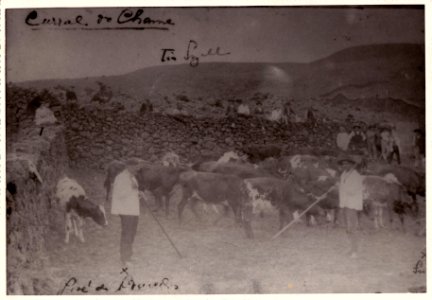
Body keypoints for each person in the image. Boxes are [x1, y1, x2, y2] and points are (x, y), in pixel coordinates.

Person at [110, 159, 145, 267]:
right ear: (129, 166)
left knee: (132, 233)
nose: (138, 169)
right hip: (126, 210)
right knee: (127, 233)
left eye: (138, 167)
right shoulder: (121, 178)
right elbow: (119, 194)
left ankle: (129, 256)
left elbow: (133, 191)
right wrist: (133, 189)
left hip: (133, 209)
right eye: (136, 167)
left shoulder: (132, 176)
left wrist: (139, 193)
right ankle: (125, 259)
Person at [338, 156, 364, 258]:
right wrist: (341, 205)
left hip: (352, 205)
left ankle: (355, 251)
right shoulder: (343, 174)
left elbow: (352, 191)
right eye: (343, 164)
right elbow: (342, 191)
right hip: (345, 204)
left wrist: (340, 186)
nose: (344, 165)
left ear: (352, 165)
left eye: (347, 163)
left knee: (352, 228)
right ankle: (351, 248)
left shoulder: (356, 176)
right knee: (347, 228)